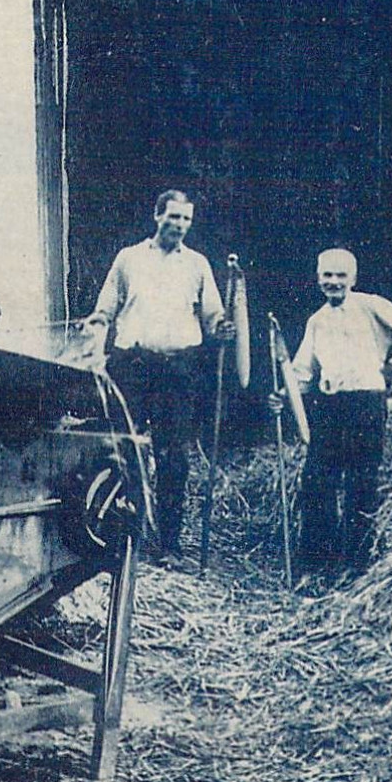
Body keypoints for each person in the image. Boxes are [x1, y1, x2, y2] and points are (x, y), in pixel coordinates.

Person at [87, 189, 234, 558]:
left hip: (179, 370)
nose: (179, 225)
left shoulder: (198, 265)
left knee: (173, 458)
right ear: (157, 216)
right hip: (132, 367)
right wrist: (94, 340)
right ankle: (127, 537)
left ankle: (167, 544)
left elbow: (213, 316)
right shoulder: (129, 259)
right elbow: (104, 309)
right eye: (173, 217)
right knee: (126, 452)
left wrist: (222, 327)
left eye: (186, 219)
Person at [272, 248, 392, 584]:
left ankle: (356, 566)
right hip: (329, 406)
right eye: (327, 275)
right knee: (317, 482)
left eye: (341, 275)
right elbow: (302, 371)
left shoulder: (370, 306)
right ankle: (318, 565)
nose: (333, 281)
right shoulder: (317, 320)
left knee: (361, 483)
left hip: (366, 405)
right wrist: (284, 396)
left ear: (353, 279)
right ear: (317, 278)